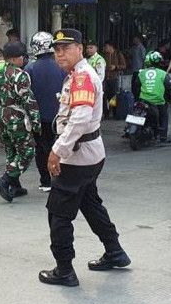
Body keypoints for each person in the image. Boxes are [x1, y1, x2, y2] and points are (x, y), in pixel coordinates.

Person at [39, 28, 130, 288]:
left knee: (58, 214)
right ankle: (115, 251)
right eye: (56, 49)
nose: (60, 53)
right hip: (90, 155)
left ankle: (64, 270)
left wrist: (58, 150)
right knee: (90, 204)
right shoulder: (77, 75)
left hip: (77, 158)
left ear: (80, 48)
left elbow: (79, 119)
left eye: (65, 48)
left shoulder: (81, 77)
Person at [0, 41, 41, 202]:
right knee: (27, 151)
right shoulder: (20, 75)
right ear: (17, 58)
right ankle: (5, 180)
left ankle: (15, 186)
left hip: (2, 115)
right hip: (16, 117)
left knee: (11, 151)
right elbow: (29, 101)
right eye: (23, 57)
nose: (24, 60)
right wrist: (36, 123)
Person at [25, 32, 67, 193]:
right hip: (60, 116)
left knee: (41, 149)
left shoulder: (30, 68)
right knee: (59, 147)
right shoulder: (62, 65)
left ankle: (46, 180)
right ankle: (59, 178)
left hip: (38, 117)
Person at [133, 51, 171, 144]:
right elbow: (170, 87)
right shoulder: (163, 74)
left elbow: (136, 86)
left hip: (143, 100)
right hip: (158, 101)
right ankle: (163, 138)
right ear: (160, 62)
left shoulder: (142, 73)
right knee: (164, 115)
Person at [103, 42, 126, 119]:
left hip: (114, 78)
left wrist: (116, 67)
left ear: (111, 46)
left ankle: (115, 113)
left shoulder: (118, 54)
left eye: (106, 47)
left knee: (113, 97)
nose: (105, 48)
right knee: (104, 96)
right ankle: (106, 113)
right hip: (106, 78)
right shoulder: (105, 55)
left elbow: (124, 65)